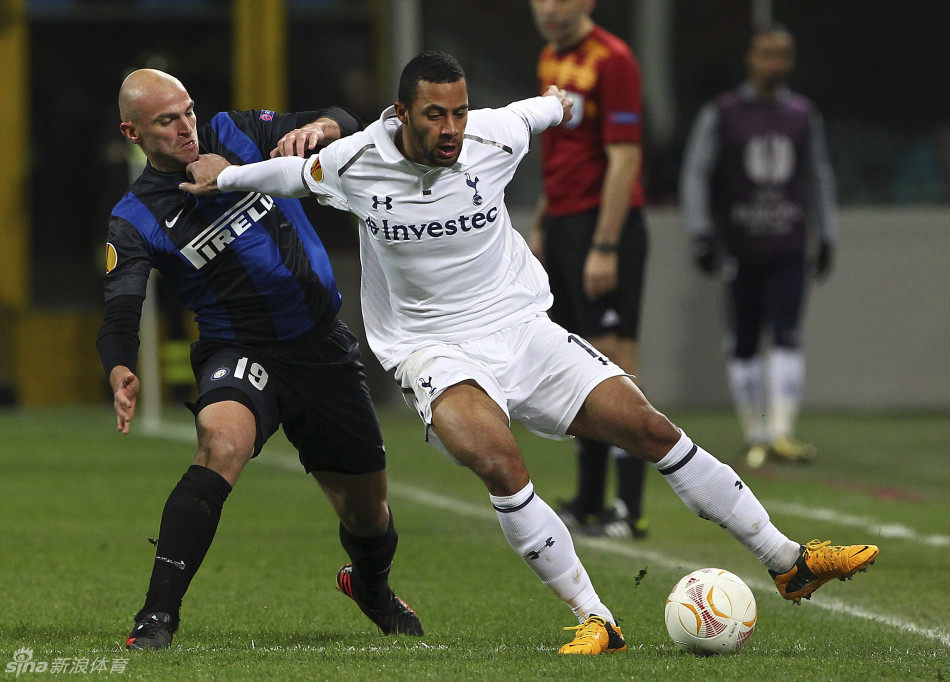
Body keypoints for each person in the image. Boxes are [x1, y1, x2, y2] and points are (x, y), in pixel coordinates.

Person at [181, 50, 878, 656]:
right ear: (401, 113)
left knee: (651, 430)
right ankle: (595, 617)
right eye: (434, 116)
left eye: (457, 113)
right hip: (432, 347)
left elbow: (548, 109)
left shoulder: (495, 133)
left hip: (521, 327)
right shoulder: (356, 161)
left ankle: (789, 562)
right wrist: (227, 178)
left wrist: (569, 104)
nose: (451, 129)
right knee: (497, 460)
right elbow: (290, 177)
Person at [97, 69, 423, 650]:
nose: (187, 128)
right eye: (167, 121)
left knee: (369, 515)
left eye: (188, 111)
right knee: (221, 442)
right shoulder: (135, 215)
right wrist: (121, 366)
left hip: (322, 348)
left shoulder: (238, 133)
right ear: (133, 132)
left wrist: (317, 130)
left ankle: (370, 586)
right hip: (241, 352)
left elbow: (343, 121)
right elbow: (121, 306)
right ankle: (156, 619)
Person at [680, 25, 839, 469]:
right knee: (743, 341)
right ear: (751, 58)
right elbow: (696, 173)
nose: (775, 64)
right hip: (741, 247)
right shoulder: (723, 113)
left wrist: (827, 234)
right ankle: (756, 432)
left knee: (787, 333)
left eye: (782, 55)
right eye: (767, 54)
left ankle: (782, 432)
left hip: (788, 245)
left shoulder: (803, 114)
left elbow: (817, 175)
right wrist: (701, 232)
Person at [528, 0, 650, 540]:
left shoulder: (613, 58)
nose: (550, 7)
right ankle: (588, 501)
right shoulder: (550, 60)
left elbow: (624, 158)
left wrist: (605, 245)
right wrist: (543, 224)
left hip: (607, 227)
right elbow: (556, 154)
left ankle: (628, 506)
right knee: (580, 358)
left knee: (617, 357)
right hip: (565, 225)